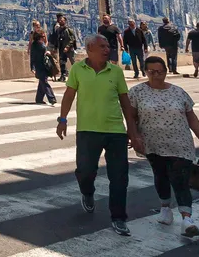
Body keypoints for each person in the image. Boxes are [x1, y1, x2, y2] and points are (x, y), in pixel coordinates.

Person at [57, 34, 144, 237]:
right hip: (88, 130)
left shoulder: (116, 71)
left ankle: (119, 217)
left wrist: (133, 132)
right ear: (90, 49)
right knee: (85, 171)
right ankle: (87, 192)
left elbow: (125, 102)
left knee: (119, 177)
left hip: (115, 131)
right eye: (102, 46)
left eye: (108, 46)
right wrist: (62, 119)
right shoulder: (78, 69)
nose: (107, 49)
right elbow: (69, 94)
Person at [127, 55, 199, 240]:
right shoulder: (136, 93)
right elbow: (131, 118)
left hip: (180, 144)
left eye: (160, 71)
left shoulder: (178, 92)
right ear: (145, 72)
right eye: (152, 72)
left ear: (166, 71)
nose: (156, 75)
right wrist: (134, 136)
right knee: (161, 176)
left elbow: (191, 117)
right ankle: (165, 208)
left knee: (180, 179)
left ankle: (187, 219)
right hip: (153, 144)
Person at [31, 30, 57, 105]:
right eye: (43, 36)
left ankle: (39, 99)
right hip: (42, 66)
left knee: (42, 82)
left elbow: (32, 57)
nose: (44, 37)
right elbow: (36, 56)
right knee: (44, 82)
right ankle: (51, 98)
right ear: (39, 37)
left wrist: (32, 67)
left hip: (40, 66)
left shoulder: (35, 45)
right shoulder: (40, 45)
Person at [51, 14, 78, 81]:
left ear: (65, 21)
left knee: (73, 62)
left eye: (62, 20)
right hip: (61, 49)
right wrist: (55, 47)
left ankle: (77, 75)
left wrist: (67, 47)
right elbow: (57, 39)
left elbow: (72, 39)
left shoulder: (69, 30)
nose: (60, 21)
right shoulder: (58, 30)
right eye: (59, 20)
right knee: (62, 62)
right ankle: (63, 76)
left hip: (69, 49)